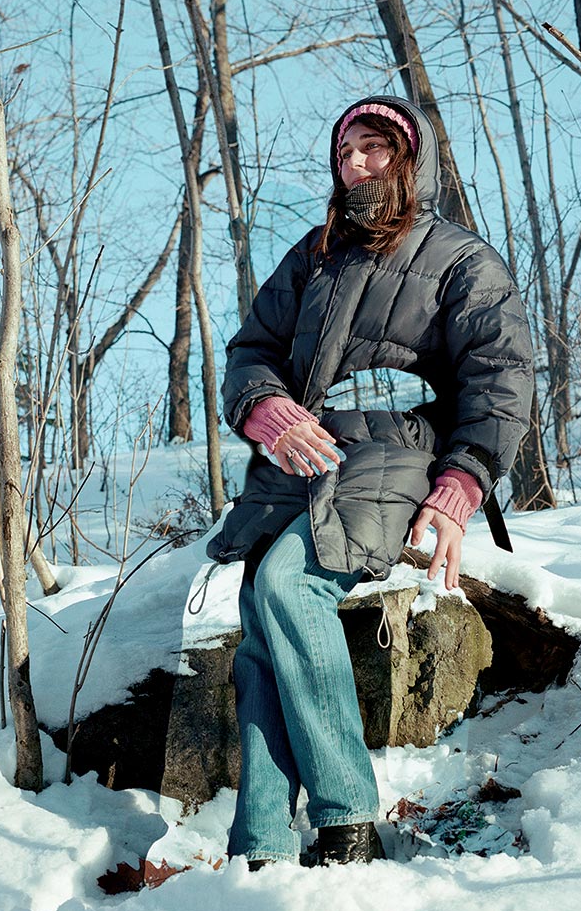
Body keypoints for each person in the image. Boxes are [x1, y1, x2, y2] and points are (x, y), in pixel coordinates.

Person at [206, 95, 533, 869]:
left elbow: (501, 378)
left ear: (407, 159)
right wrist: (268, 407)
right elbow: (249, 351)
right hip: (303, 454)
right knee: (259, 616)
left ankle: (348, 818)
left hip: (400, 448)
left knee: (290, 584)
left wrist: (462, 483)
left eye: (374, 147)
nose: (356, 162)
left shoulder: (460, 258)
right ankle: (258, 845)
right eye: (346, 150)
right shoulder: (312, 257)